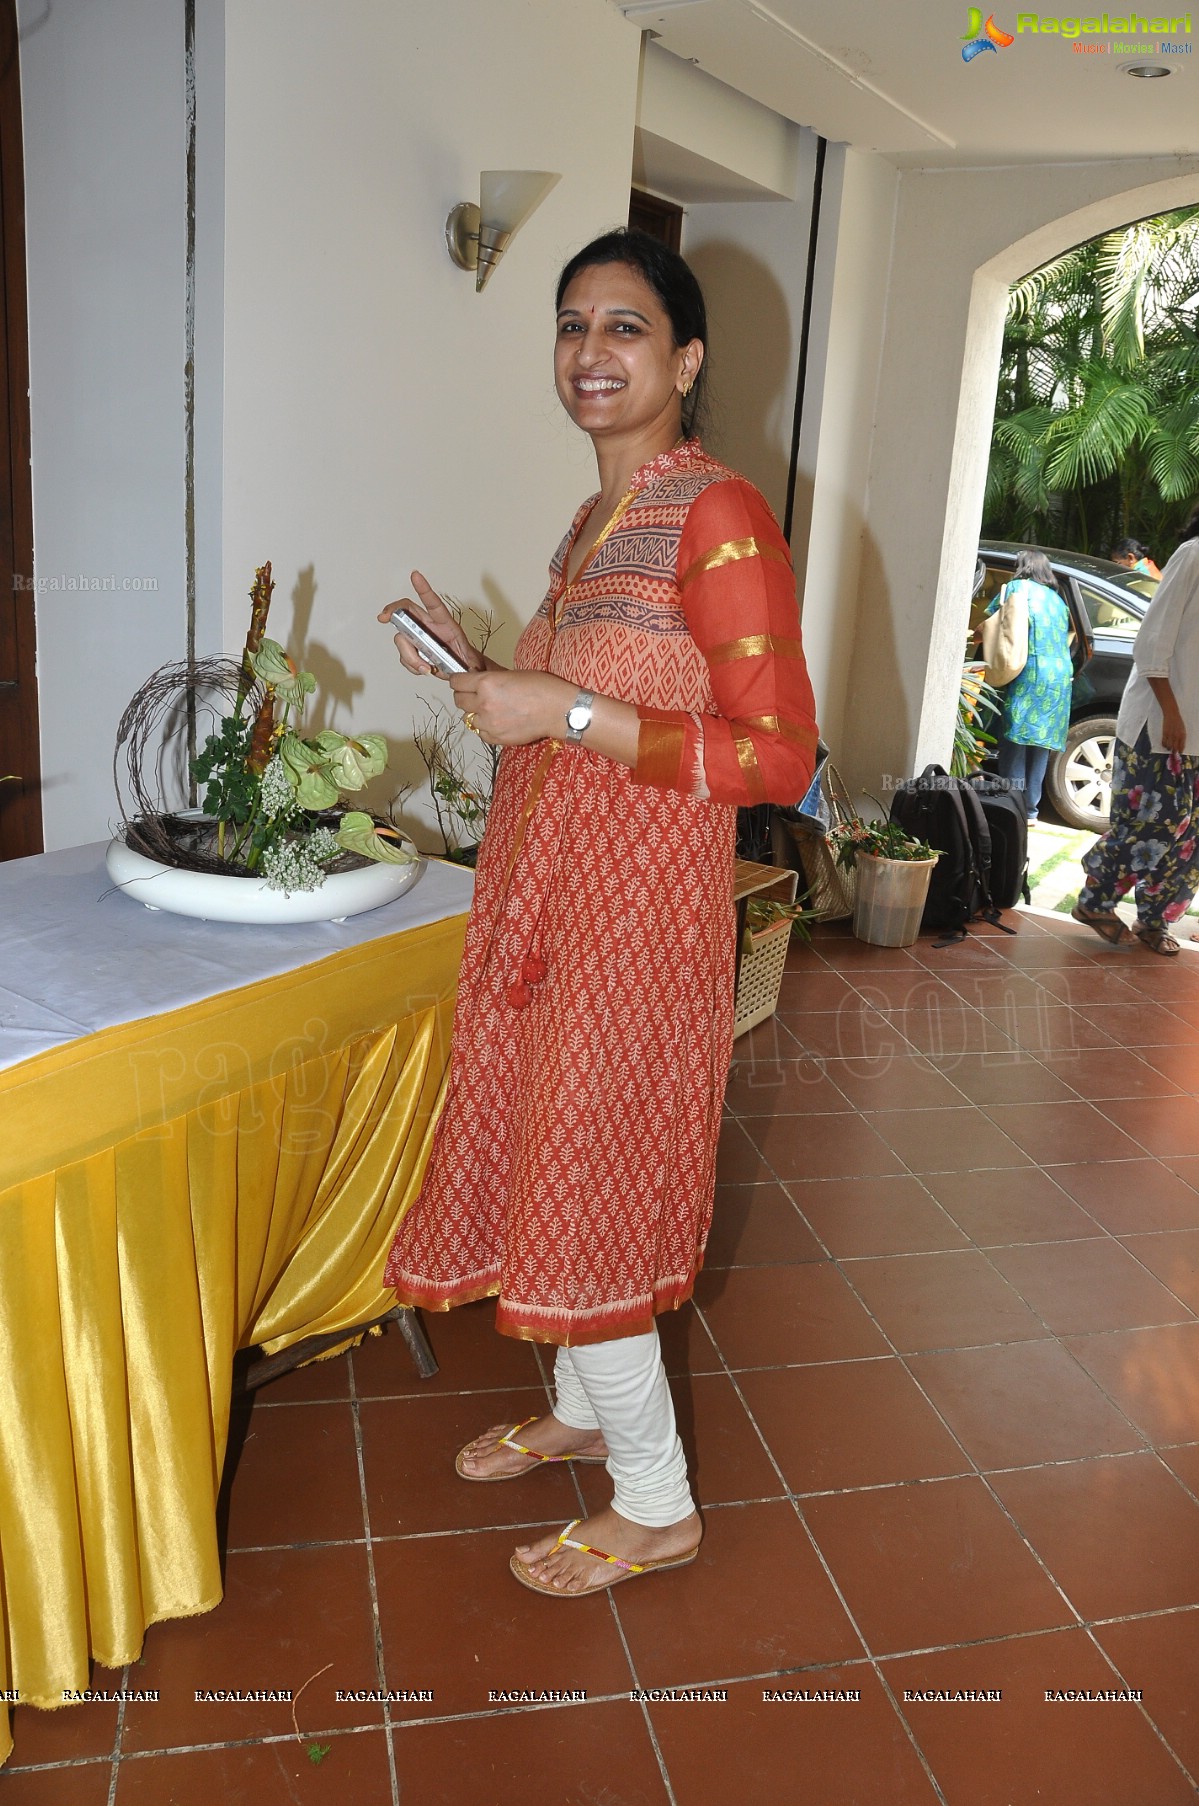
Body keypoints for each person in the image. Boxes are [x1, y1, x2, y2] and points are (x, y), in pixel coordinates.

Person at [380, 228, 818, 1598]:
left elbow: (779, 758)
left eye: (624, 327)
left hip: (635, 921)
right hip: (543, 893)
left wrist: (557, 704)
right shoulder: (592, 524)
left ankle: (654, 1499)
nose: (589, 351)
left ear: (684, 359)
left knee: (593, 1170)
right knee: (537, 1145)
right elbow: (586, 718)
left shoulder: (716, 512)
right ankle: (580, 1406)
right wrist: (488, 675)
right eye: (572, 325)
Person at [1074, 505, 1199, 955]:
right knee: (1157, 823)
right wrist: (1172, 713)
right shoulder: (1193, 555)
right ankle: (1095, 900)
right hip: (1163, 724)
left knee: (1191, 838)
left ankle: (1154, 921)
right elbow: (1152, 643)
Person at [982, 549, 1073, 822]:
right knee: (1039, 744)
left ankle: (1013, 806)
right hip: (1058, 676)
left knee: (1015, 741)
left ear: (1022, 567)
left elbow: (993, 623)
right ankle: (1031, 810)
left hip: (1028, 671)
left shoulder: (1015, 588)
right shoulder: (1058, 600)